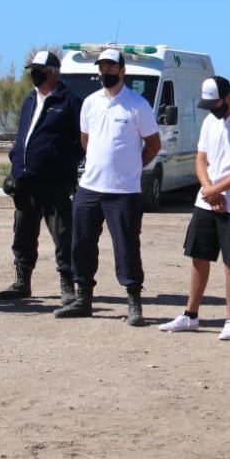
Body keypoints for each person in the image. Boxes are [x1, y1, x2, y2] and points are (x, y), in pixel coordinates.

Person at [58, 48, 161, 323]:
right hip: (90, 187)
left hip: (124, 191)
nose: (106, 71)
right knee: (81, 243)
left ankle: (134, 302)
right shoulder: (90, 103)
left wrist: (134, 167)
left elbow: (153, 144)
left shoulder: (137, 105)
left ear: (122, 71)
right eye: (102, 67)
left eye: (111, 67)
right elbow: (85, 140)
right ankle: (83, 299)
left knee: (126, 246)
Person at [159, 76, 230, 340]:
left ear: (227, 96)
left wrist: (219, 190)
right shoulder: (209, 121)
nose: (211, 108)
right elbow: (201, 158)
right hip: (206, 200)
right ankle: (190, 315)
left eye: (214, 102)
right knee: (199, 256)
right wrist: (209, 189)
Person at [0, 50, 83, 307]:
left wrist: (65, 166)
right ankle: (22, 281)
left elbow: (82, 142)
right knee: (22, 232)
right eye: (33, 70)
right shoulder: (29, 100)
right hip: (25, 181)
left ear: (53, 72)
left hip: (55, 183)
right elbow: (23, 138)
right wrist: (15, 167)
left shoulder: (70, 102)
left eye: (39, 70)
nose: (34, 74)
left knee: (62, 234)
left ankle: (68, 285)